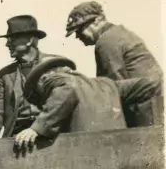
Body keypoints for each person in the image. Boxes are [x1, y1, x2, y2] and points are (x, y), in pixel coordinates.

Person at [14, 55, 162, 150]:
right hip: (120, 151)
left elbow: (68, 89)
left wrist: (36, 129)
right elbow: (151, 84)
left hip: (87, 154)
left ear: (43, 80)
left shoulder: (57, 81)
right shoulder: (107, 84)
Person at [65, 0, 163, 127]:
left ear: (97, 20)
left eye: (79, 30)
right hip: (153, 103)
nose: (78, 36)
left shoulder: (106, 41)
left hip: (142, 111)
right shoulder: (119, 33)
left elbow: (112, 90)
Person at [0, 15, 50, 139]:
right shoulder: (5, 75)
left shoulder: (52, 66)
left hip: (48, 137)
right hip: (15, 138)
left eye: (12, 39)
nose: (7, 44)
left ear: (30, 40)